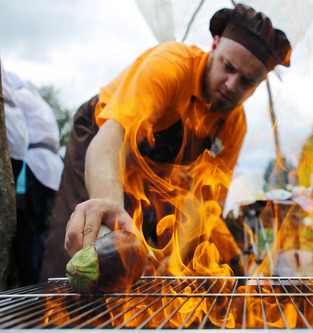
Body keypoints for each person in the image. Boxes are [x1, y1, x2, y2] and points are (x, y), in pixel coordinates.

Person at [40, 3, 291, 280]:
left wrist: (174, 256)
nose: (232, 85)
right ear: (215, 45)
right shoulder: (170, 66)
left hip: (152, 172)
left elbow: (204, 203)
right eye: (228, 67)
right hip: (100, 142)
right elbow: (112, 137)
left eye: (247, 82)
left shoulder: (234, 126)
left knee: (143, 263)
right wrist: (110, 206)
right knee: (85, 237)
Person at [8, 72, 64, 286]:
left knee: (28, 232)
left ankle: (30, 288)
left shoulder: (19, 97)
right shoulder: (40, 103)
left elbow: (16, 134)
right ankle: (41, 284)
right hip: (50, 171)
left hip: (35, 165)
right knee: (39, 232)